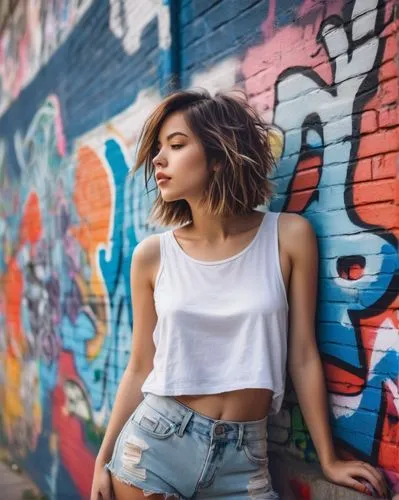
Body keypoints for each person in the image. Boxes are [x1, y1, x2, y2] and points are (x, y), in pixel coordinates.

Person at [91, 89, 387, 499]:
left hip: (246, 459)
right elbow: (140, 365)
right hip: (154, 448)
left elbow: (301, 354)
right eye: (158, 149)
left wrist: (329, 459)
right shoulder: (152, 257)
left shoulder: (289, 237)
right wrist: (102, 459)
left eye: (176, 146)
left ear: (218, 157)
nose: (159, 159)